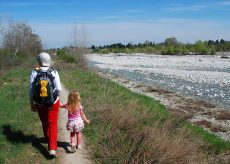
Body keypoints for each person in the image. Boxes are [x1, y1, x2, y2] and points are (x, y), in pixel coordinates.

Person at [29, 52, 61, 157]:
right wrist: (55, 99)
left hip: (39, 103)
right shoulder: (54, 72)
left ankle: (48, 139)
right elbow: (59, 89)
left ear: (40, 61)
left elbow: (31, 90)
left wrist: (32, 104)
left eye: (38, 60)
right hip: (52, 103)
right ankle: (52, 149)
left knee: (44, 122)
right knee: (52, 124)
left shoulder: (34, 72)